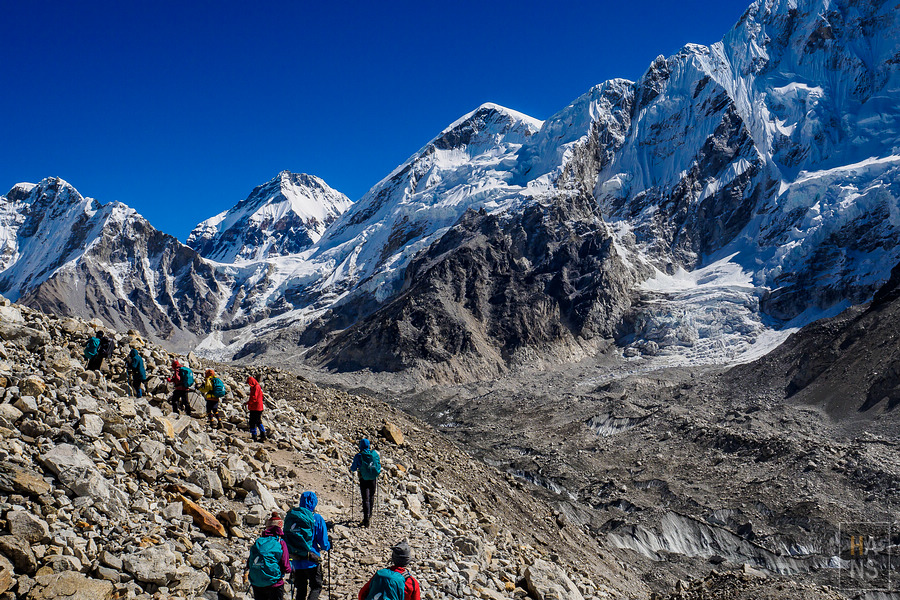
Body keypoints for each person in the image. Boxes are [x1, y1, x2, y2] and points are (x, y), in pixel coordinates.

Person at [283, 491, 330, 600]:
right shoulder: (316, 518)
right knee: (316, 586)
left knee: (301, 589)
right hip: (311, 560)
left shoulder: (293, 516)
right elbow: (323, 544)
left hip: (295, 560)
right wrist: (328, 546)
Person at [245, 512, 292, 600]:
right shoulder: (280, 542)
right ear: (280, 528)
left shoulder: (259, 542)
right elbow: (286, 567)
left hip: (257, 583)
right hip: (274, 584)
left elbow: (249, 563)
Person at [350, 438, 381, 527]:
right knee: (371, 496)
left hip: (363, 479)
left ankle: (366, 520)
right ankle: (370, 514)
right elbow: (378, 465)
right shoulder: (374, 454)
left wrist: (353, 470)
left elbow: (353, 468)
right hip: (373, 479)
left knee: (365, 499)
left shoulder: (359, 456)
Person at [247, 375, 268, 442]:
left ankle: (254, 436)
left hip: (255, 408)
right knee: (258, 421)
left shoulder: (255, 387)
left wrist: (248, 403)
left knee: (252, 422)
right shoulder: (257, 386)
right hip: (259, 407)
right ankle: (263, 434)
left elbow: (254, 398)